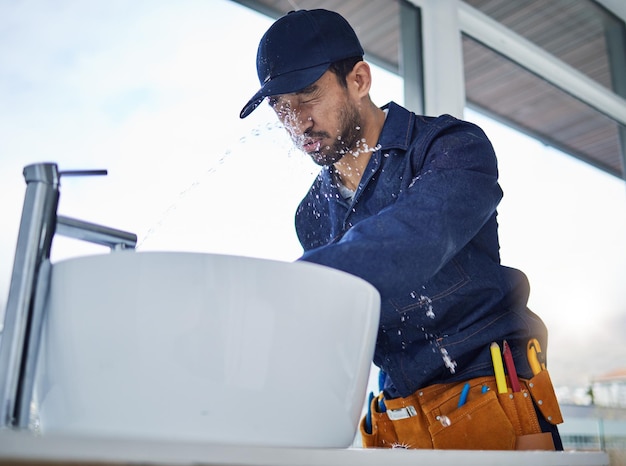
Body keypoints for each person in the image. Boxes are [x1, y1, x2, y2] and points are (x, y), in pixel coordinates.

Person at [240, 9, 563, 451]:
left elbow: (417, 237)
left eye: (308, 95)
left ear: (358, 80)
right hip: (396, 424)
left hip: (493, 404)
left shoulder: (451, 148)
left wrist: (290, 286)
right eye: (282, 108)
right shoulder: (311, 215)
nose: (297, 122)